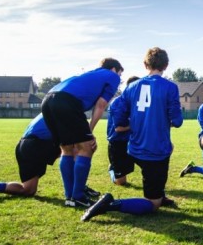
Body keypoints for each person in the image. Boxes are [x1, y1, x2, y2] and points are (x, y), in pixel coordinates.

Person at [81, 47, 183, 222]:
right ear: (166, 65)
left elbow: (116, 108)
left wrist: (125, 124)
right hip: (155, 151)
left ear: (145, 64)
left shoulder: (131, 87)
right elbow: (177, 120)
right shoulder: (170, 87)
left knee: (153, 175)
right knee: (153, 204)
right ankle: (111, 204)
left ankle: (159, 192)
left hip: (134, 147)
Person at [42, 57, 123, 207]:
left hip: (47, 100)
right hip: (67, 101)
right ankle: (78, 196)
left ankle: (70, 197)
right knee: (87, 147)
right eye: (119, 74)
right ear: (114, 69)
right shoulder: (112, 76)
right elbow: (100, 105)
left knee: (66, 149)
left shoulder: (90, 75)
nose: (119, 78)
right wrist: (89, 130)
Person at [0, 114, 99, 200]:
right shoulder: (65, 109)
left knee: (28, 190)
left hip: (23, 145)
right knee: (81, 149)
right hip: (36, 145)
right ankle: (79, 188)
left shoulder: (53, 106)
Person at [107, 76, 139, 186]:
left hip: (131, 141)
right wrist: (136, 125)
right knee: (121, 182)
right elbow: (119, 128)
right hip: (117, 142)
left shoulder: (137, 102)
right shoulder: (118, 103)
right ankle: (112, 170)